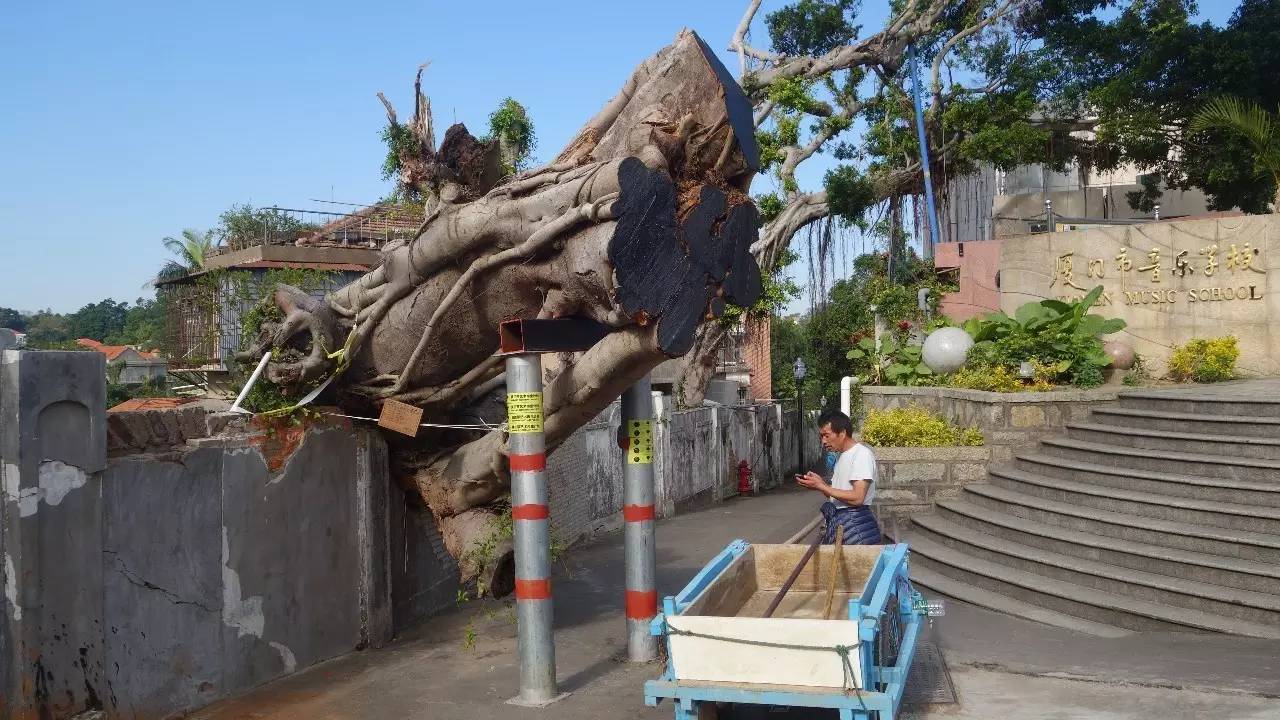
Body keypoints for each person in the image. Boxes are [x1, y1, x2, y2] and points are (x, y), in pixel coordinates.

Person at [796, 409, 881, 545]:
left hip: (856, 526)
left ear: (842, 433)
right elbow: (839, 496)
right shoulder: (842, 456)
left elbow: (857, 497)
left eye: (827, 436)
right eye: (821, 436)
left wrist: (822, 486)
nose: (823, 441)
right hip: (843, 524)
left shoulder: (861, 455)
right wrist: (820, 484)